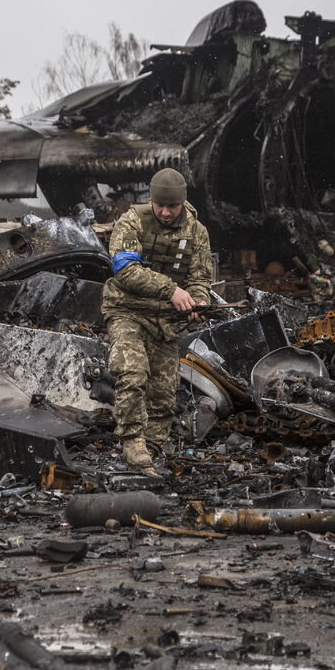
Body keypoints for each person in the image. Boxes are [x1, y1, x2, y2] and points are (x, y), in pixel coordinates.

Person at [102, 168, 213, 468]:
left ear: (182, 203)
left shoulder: (197, 232)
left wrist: (198, 302)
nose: (165, 212)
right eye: (159, 205)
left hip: (166, 321)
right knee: (133, 374)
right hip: (128, 311)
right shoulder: (132, 220)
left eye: (172, 207)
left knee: (163, 394)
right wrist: (171, 290)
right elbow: (124, 271)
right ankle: (132, 442)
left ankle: (149, 452)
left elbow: (200, 277)